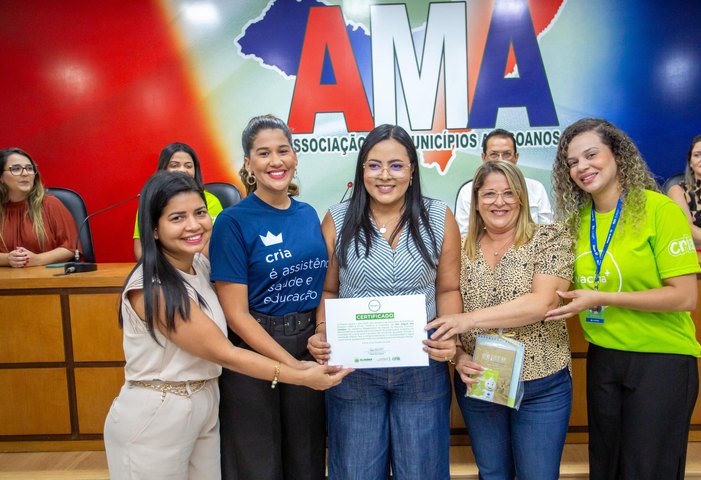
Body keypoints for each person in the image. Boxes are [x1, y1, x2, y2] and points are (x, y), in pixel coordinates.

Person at [104, 171, 349, 480]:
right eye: (177, 218)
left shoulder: (201, 266)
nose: (193, 225)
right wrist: (300, 374)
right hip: (158, 413)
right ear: (153, 228)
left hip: (204, 405)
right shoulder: (152, 287)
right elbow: (225, 353)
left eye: (200, 213)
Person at [547, 118, 701, 480]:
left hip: (661, 359)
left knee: (648, 469)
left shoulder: (659, 210)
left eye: (591, 155)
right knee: (606, 467)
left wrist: (602, 297)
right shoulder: (576, 222)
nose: (582, 167)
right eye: (572, 162)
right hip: (604, 358)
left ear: (617, 154)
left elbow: (684, 296)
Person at [308, 124, 461, 479]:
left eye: (395, 165)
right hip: (352, 372)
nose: (384, 175)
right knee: (356, 471)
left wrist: (449, 336)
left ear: (411, 170)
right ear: (362, 170)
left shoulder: (439, 217)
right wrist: (321, 331)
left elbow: (448, 288)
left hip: (422, 367)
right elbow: (328, 291)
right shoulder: (337, 218)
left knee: (421, 472)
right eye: (374, 165)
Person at [427, 160, 574, 480]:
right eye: (489, 194)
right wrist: (459, 356)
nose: (499, 201)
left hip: (542, 384)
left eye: (509, 193)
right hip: (481, 378)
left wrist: (469, 320)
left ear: (521, 198)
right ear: (475, 201)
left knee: (538, 475)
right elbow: (446, 300)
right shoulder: (458, 249)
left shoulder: (550, 238)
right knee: (493, 473)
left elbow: (543, 302)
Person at [209, 115, 330, 480]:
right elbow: (236, 315)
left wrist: (319, 337)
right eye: (263, 153)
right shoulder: (232, 222)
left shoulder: (308, 214)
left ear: (295, 156)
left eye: (283, 151)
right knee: (257, 462)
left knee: (307, 460)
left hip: (307, 344)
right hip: (254, 348)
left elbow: (324, 284)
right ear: (248, 164)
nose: (275, 161)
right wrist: (292, 369)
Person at [133, 142, 224, 260]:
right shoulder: (150, 201)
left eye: (188, 166)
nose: (182, 170)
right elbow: (142, 249)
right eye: (174, 165)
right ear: (163, 168)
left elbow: (217, 243)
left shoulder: (211, 201)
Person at [455, 128, 553, 234]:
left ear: (516, 157)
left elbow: (547, 232)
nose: (501, 160)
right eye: (494, 155)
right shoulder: (467, 191)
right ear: (483, 158)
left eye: (507, 154)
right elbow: (463, 237)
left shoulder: (536, 188)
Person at [1, 147, 77, 267]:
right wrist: (7, 259)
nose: (25, 173)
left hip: (47, 280)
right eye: (16, 169)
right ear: (1, 177)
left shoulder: (51, 204)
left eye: (29, 168)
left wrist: (38, 260)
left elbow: (71, 248)